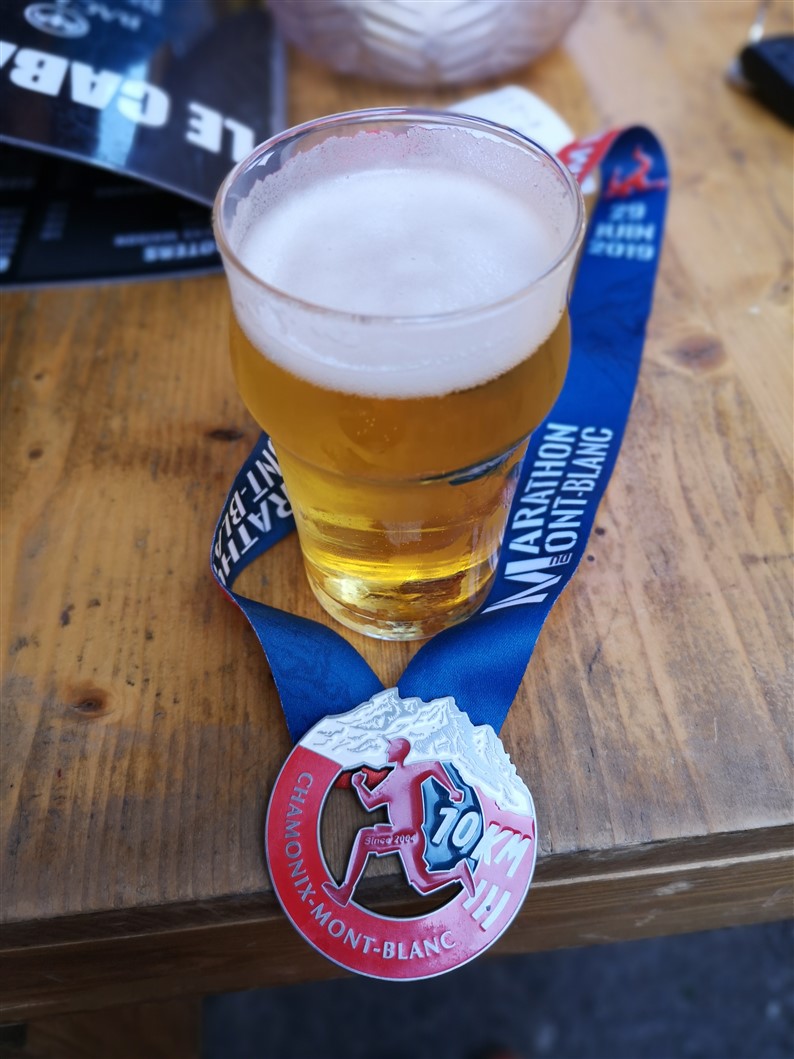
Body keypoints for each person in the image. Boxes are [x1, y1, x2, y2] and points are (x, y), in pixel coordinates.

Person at [322, 737, 477, 906]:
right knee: (421, 883)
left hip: (408, 835)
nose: (387, 751)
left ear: (400, 751)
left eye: (391, 748)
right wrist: (359, 786)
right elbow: (369, 802)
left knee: (364, 838)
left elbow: (434, 765)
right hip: (402, 835)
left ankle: (345, 891)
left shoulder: (410, 771)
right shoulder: (389, 781)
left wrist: (452, 790)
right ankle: (457, 872)